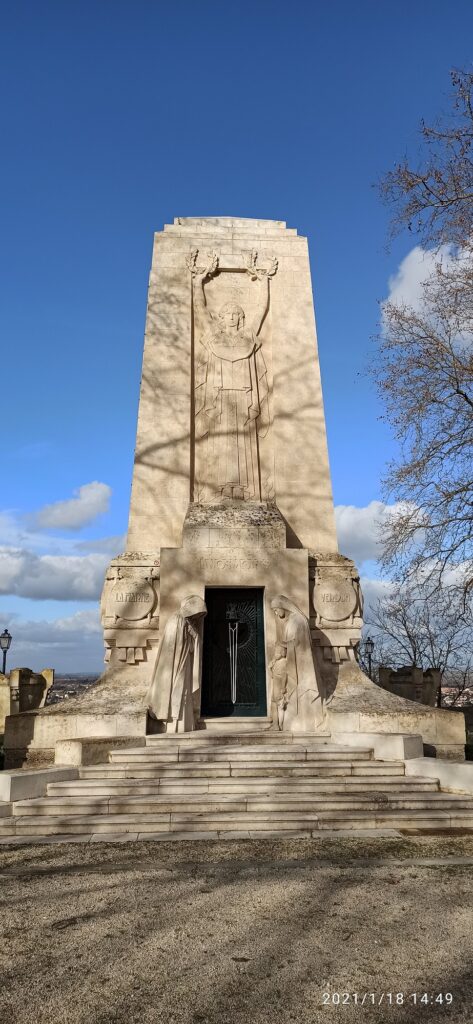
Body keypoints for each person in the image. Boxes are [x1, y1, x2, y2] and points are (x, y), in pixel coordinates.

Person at [191, 254, 274, 501]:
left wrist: (264, 281)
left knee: (243, 443)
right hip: (218, 398)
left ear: (241, 319)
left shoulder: (248, 337)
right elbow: (200, 309)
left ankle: (244, 490)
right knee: (221, 442)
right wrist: (198, 281)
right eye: (228, 313)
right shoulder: (214, 336)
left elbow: (261, 310)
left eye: (236, 314)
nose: (232, 317)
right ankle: (219, 488)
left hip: (243, 397)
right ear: (221, 318)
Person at [147, 596, 207, 733]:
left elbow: (192, 646)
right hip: (176, 664)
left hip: (185, 661)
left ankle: (184, 724)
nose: (196, 617)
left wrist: (194, 636)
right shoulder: (176, 619)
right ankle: (175, 725)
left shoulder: (186, 622)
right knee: (177, 690)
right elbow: (173, 646)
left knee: (184, 691)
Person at [270, 595, 325, 731]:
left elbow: (299, 643)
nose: (276, 613)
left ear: (283, 606)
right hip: (294, 662)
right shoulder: (292, 621)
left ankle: (303, 722)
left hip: (301, 665)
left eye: (276, 610)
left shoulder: (298, 621)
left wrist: (282, 644)